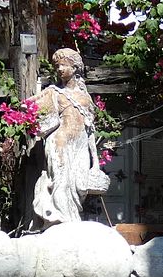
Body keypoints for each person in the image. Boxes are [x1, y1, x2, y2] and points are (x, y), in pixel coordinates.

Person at [30, 47, 108, 227]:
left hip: (80, 144)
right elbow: (31, 108)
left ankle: (70, 219)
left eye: (63, 65)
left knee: (79, 185)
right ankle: (63, 222)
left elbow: (90, 129)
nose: (59, 69)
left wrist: (95, 160)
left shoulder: (85, 97)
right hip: (60, 142)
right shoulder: (52, 92)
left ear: (75, 67)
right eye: (57, 66)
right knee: (61, 182)